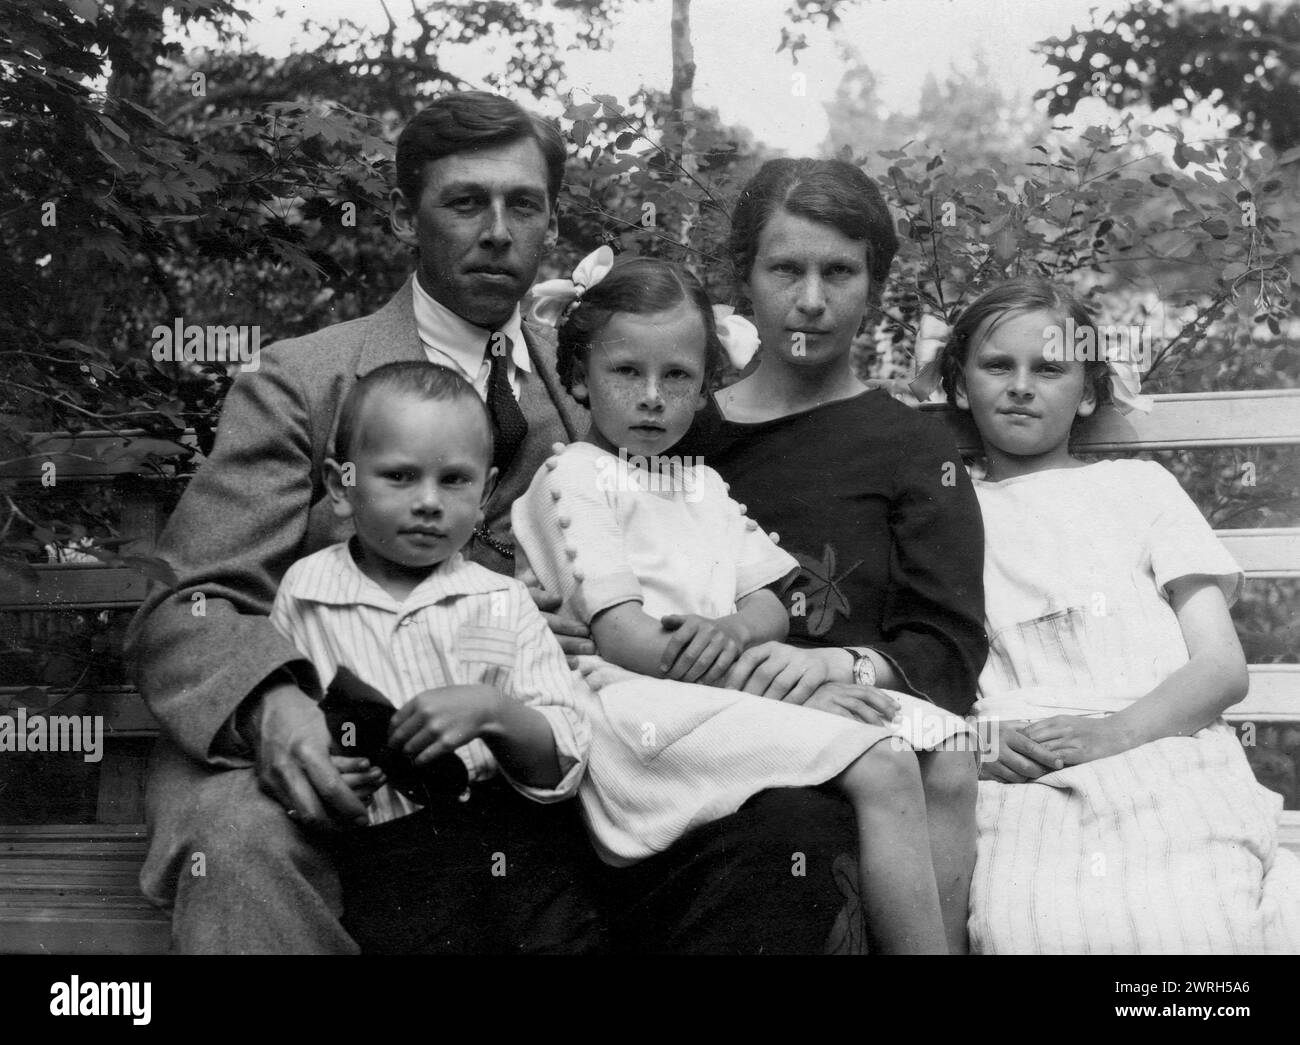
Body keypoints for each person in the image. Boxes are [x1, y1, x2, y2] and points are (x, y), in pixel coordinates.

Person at [125, 91, 863, 955]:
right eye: (465, 202)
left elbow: (698, 543)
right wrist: (274, 703)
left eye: (524, 204)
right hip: (344, 739)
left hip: (560, 746)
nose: (498, 230)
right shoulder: (305, 380)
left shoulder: (602, 374)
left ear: (551, 217)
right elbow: (194, 603)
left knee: (790, 827)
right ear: (408, 213)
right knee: (241, 841)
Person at [513, 254, 966, 953]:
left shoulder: (700, 483)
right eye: (626, 372)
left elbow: (772, 604)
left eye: (678, 377)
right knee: (882, 762)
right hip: (637, 709)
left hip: (721, 692)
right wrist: (765, 686)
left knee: (953, 748)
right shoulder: (574, 477)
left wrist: (734, 627)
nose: (653, 397)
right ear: (578, 377)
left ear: (704, 391)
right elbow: (624, 638)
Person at [620, 157, 988, 953]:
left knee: (803, 822)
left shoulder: (915, 448)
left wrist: (839, 666)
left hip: (845, 737)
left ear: (875, 285)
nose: (812, 300)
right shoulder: (676, 433)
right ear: (744, 279)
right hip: (691, 724)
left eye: (840, 272)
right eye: (786, 268)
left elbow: (950, 647)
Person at [937, 276, 1300, 953]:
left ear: (1090, 392)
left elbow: (1221, 668)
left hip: (1165, 740)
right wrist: (975, 746)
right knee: (1035, 924)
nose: (1021, 385)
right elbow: (923, 669)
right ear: (961, 385)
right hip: (1025, 765)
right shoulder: (949, 511)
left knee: (1192, 918)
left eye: (1049, 368)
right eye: (997, 365)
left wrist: (1112, 735)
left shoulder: (1138, 488)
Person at [269, 361, 594, 952]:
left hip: (514, 841)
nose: (428, 502)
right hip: (387, 857)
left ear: (487, 491)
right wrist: (329, 774)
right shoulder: (306, 594)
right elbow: (293, 723)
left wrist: (492, 711)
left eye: (454, 481)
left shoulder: (500, 599)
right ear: (341, 487)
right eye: (399, 476)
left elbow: (562, 762)